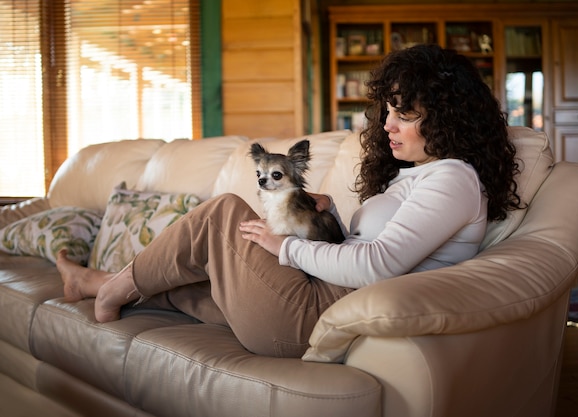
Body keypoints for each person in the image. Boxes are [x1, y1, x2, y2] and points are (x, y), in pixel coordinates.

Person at [57, 44, 522, 358]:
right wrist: (331, 214)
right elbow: (374, 244)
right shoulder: (420, 178)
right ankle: (95, 281)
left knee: (224, 214)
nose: (387, 126)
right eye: (387, 112)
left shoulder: (454, 178)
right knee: (184, 281)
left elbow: (380, 265)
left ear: (444, 118)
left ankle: (110, 287)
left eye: (405, 114)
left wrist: (287, 248)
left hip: (317, 315)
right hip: (317, 299)